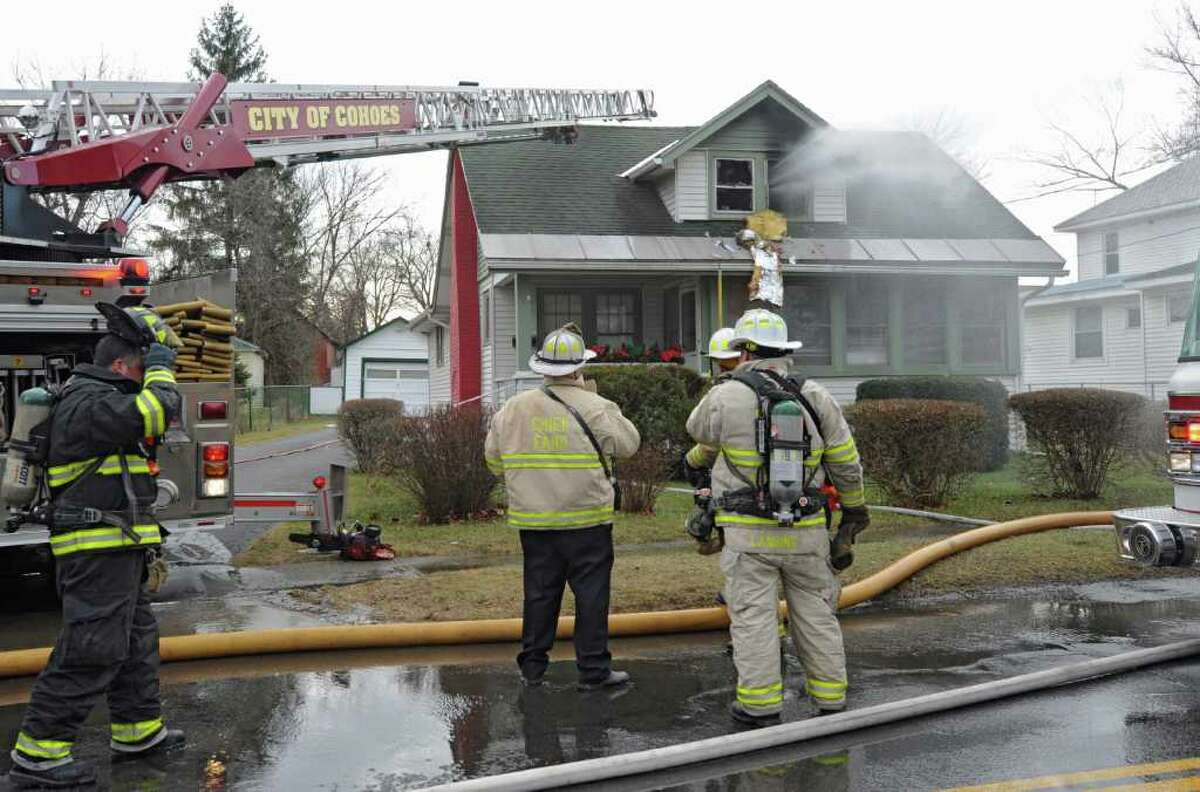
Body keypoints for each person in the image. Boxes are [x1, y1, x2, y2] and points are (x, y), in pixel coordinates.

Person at [9, 305, 184, 789]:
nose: (144, 380)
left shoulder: (102, 398)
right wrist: (162, 369)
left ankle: (138, 734)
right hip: (95, 546)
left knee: (133, 644)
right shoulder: (88, 401)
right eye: (142, 370)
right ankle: (38, 755)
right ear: (123, 366)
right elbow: (156, 410)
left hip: (118, 544)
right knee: (93, 646)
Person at [685, 308, 869, 727]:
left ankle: (760, 704)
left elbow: (697, 430)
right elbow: (846, 462)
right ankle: (830, 698)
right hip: (806, 532)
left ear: (745, 350)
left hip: (749, 536)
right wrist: (854, 510)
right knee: (817, 614)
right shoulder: (815, 395)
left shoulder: (728, 393)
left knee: (753, 616)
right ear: (783, 351)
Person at [485, 323, 641, 691]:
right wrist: (601, 402)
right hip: (588, 523)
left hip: (535, 524)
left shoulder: (512, 409)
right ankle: (594, 670)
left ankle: (533, 668)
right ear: (578, 367)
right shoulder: (597, 407)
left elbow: (493, 461)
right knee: (591, 597)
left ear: (542, 367)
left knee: (539, 595)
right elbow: (629, 444)